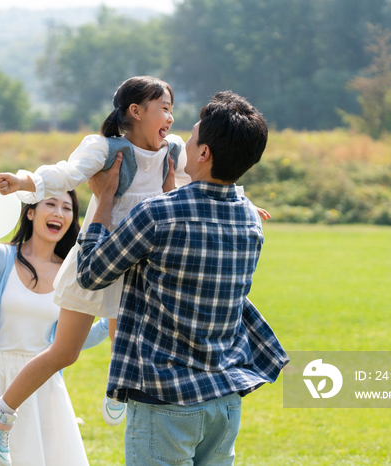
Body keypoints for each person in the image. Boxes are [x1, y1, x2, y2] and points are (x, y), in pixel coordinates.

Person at [0, 77, 269, 466]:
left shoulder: (174, 149)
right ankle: (1, 413)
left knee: (123, 335)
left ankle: (118, 390)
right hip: (106, 253)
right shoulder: (106, 149)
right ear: (135, 111)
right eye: (164, 108)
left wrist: (240, 203)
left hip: (144, 261)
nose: (172, 118)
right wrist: (24, 181)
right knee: (65, 351)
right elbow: (66, 174)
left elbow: (212, 174)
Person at [76, 91, 289, 465]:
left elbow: (91, 274)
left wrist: (104, 200)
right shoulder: (250, 218)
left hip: (165, 401)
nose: (183, 143)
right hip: (224, 399)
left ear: (204, 154)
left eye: (192, 137)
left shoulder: (157, 213)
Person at [0, 191, 107, 466]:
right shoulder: (0, 257)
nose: (59, 213)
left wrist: (109, 323)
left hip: (42, 381)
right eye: (51, 204)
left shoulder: (71, 272)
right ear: (30, 212)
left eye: (67, 208)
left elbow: (69, 342)